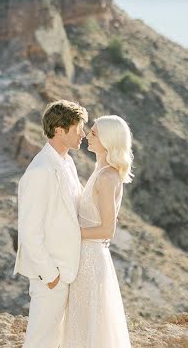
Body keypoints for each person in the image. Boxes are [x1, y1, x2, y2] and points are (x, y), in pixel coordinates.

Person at [14, 99, 88, 347]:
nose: (83, 134)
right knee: (40, 343)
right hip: (51, 277)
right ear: (59, 130)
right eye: (78, 129)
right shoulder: (40, 171)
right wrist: (51, 276)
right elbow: (28, 231)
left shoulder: (68, 163)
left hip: (68, 273)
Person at [64, 115, 134, 348]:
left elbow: (107, 229)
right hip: (86, 257)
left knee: (88, 326)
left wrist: (69, 233)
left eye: (93, 133)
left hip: (91, 261)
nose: (86, 135)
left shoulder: (106, 176)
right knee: (83, 325)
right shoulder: (100, 170)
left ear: (107, 140)